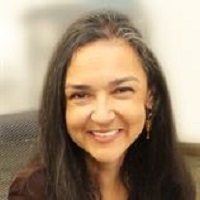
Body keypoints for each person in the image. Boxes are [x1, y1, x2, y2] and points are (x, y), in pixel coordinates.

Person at [8, 9, 195, 200]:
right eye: (80, 95)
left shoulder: (167, 180)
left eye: (122, 90)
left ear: (150, 97)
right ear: (62, 105)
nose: (102, 116)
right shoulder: (32, 193)